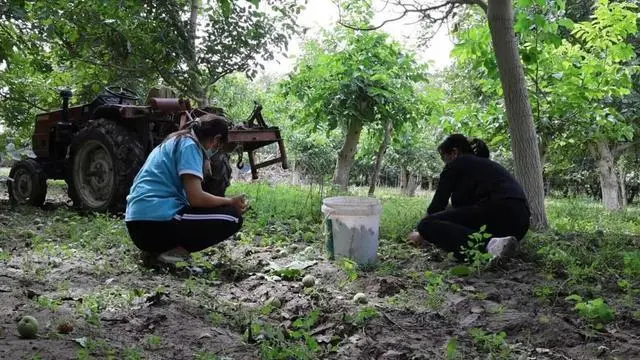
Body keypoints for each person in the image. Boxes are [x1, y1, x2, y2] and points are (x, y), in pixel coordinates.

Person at [124, 114, 248, 265]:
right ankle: (171, 255)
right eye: (219, 146)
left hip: (138, 222)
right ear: (216, 140)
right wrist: (230, 201)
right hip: (153, 222)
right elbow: (196, 198)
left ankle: (157, 251)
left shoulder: (174, 141)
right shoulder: (190, 147)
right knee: (232, 217)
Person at [407, 134, 530, 263]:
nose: (445, 163)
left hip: (498, 211)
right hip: (520, 223)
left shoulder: (456, 164)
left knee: (426, 224)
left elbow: (437, 206)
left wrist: (422, 232)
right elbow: (464, 212)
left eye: (444, 158)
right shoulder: (485, 166)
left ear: (454, 152)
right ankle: (499, 244)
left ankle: (490, 246)